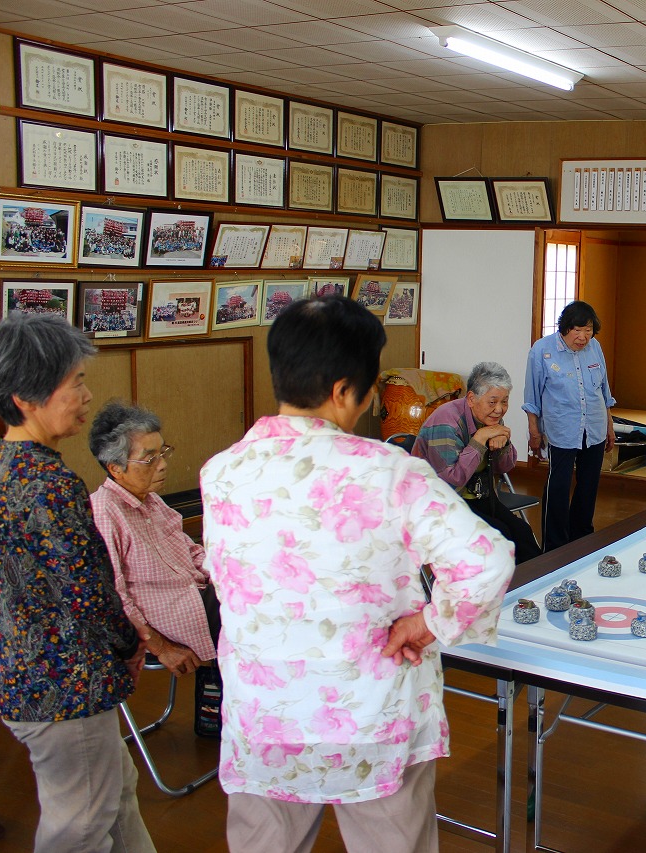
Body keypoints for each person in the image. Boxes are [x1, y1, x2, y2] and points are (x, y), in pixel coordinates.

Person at [200, 296, 514, 853]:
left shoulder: (222, 472)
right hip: (371, 714)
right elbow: (485, 559)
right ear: (346, 390)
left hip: (266, 715)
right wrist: (429, 623)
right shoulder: (391, 473)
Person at [0, 313, 155, 853]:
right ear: (26, 398)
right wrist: (128, 644)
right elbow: (88, 592)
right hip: (63, 687)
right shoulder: (49, 484)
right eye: (75, 382)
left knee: (116, 794)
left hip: (22, 673)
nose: (87, 395)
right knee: (79, 825)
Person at [88, 401, 224, 736]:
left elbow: (191, 550)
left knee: (254, 590)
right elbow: (114, 598)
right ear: (116, 469)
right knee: (252, 614)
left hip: (195, 595)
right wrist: (161, 647)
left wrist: (226, 570)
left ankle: (224, 711)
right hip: (165, 618)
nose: (162, 464)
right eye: (149, 458)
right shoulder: (104, 511)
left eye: (162, 452)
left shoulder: (151, 500)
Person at [412, 361, 542, 564]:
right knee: (500, 538)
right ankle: (509, 584)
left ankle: (536, 582)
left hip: (478, 496)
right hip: (440, 502)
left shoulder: (490, 418)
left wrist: (504, 442)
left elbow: (504, 467)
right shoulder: (446, 423)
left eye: (505, 401)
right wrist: (479, 440)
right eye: (493, 402)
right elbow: (452, 482)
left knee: (522, 533)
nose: (499, 409)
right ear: (471, 398)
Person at [523, 300, 616, 551]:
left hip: (594, 427)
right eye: (577, 330)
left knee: (588, 487)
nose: (583, 337)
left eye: (588, 330)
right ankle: (554, 547)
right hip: (561, 429)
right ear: (564, 327)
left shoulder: (595, 347)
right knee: (559, 487)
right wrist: (534, 431)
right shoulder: (542, 350)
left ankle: (582, 540)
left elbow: (604, 391)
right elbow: (532, 397)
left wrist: (609, 426)